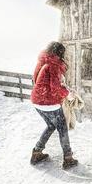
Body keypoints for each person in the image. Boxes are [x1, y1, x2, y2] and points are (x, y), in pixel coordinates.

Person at [30, 41, 78, 169]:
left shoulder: (42, 61)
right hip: (49, 103)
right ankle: (68, 158)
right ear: (60, 53)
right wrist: (68, 93)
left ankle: (37, 152)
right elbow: (55, 88)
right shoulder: (54, 65)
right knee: (62, 129)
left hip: (37, 101)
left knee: (51, 125)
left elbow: (35, 80)